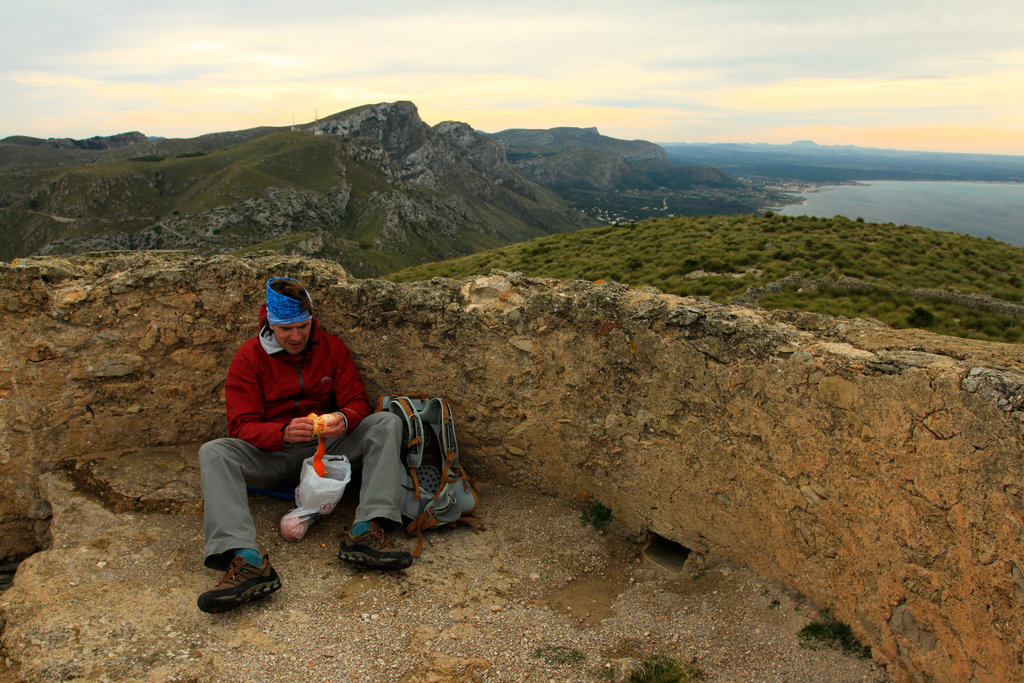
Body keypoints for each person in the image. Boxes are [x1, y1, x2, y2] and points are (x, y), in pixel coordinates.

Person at [196, 276, 412, 614]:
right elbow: (240, 426)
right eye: (286, 330)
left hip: (328, 453)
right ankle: (245, 560)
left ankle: (368, 529)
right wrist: (280, 433)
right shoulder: (249, 358)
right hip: (273, 457)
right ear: (270, 324)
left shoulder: (331, 348)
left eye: (302, 326)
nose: (296, 337)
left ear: (312, 321)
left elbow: (357, 401)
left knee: (385, 422)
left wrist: (344, 417)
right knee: (214, 451)